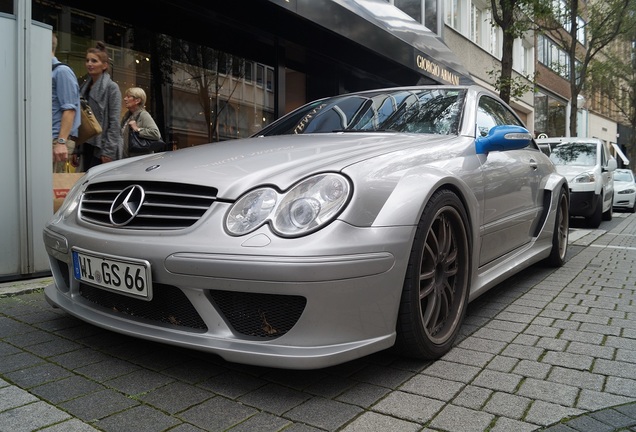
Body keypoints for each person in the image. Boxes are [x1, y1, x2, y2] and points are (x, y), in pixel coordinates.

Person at [74, 41, 123, 171]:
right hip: (86, 145)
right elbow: (81, 121)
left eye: (94, 61)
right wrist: (76, 149)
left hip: (102, 147)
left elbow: (114, 123)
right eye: (87, 60)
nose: (89, 64)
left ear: (104, 65)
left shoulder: (112, 88)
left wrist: (108, 151)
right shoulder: (83, 88)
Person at [51, 33, 81, 173]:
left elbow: (69, 109)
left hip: (56, 142)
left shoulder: (61, 71)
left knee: (53, 190)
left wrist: (61, 142)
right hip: (51, 140)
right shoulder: (50, 72)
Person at [120, 87, 163, 157]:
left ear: (137, 100)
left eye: (128, 97)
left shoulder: (143, 115)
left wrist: (137, 129)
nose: (125, 99)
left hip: (139, 160)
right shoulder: (127, 116)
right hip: (126, 158)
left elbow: (156, 133)